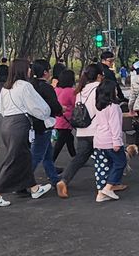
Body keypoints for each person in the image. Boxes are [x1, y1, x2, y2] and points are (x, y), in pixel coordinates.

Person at [0, 59, 53, 207]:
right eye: (28, 68)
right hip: (19, 125)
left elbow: (2, 109)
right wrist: (47, 115)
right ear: (23, 70)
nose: (30, 71)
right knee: (13, 159)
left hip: (7, 124)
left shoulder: (7, 87)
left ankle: (34, 188)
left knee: (24, 157)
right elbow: (37, 107)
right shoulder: (25, 86)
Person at [56, 63, 103, 199]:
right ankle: (109, 184)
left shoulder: (80, 90)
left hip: (82, 130)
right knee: (107, 157)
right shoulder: (100, 89)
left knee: (79, 158)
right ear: (99, 76)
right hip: (97, 130)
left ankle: (63, 180)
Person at [30, 59, 63, 189]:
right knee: (37, 156)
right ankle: (22, 181)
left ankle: (54, 178)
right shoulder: (46, 87)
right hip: (44, 124)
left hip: (34, 123)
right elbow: (54, 105)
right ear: (45, 72)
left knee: (47, 154)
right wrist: (61, 110)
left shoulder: (31, 86)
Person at [92, 80, 127, 202]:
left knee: (103, 166)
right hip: (110, 141)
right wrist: (117, 142)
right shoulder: (114, 107)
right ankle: (108, 187)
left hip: (98, 141)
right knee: (120, 163)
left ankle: (101, 193)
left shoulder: (99, 105)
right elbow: (115, 126)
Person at [53, 69, 76, 162]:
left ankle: (75, 157)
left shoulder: (56, 90)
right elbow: (75, 104)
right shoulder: (71, 91)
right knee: (60, 143)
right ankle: (50, 162)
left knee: (69, 138)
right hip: (66, 121)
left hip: (57, 119)